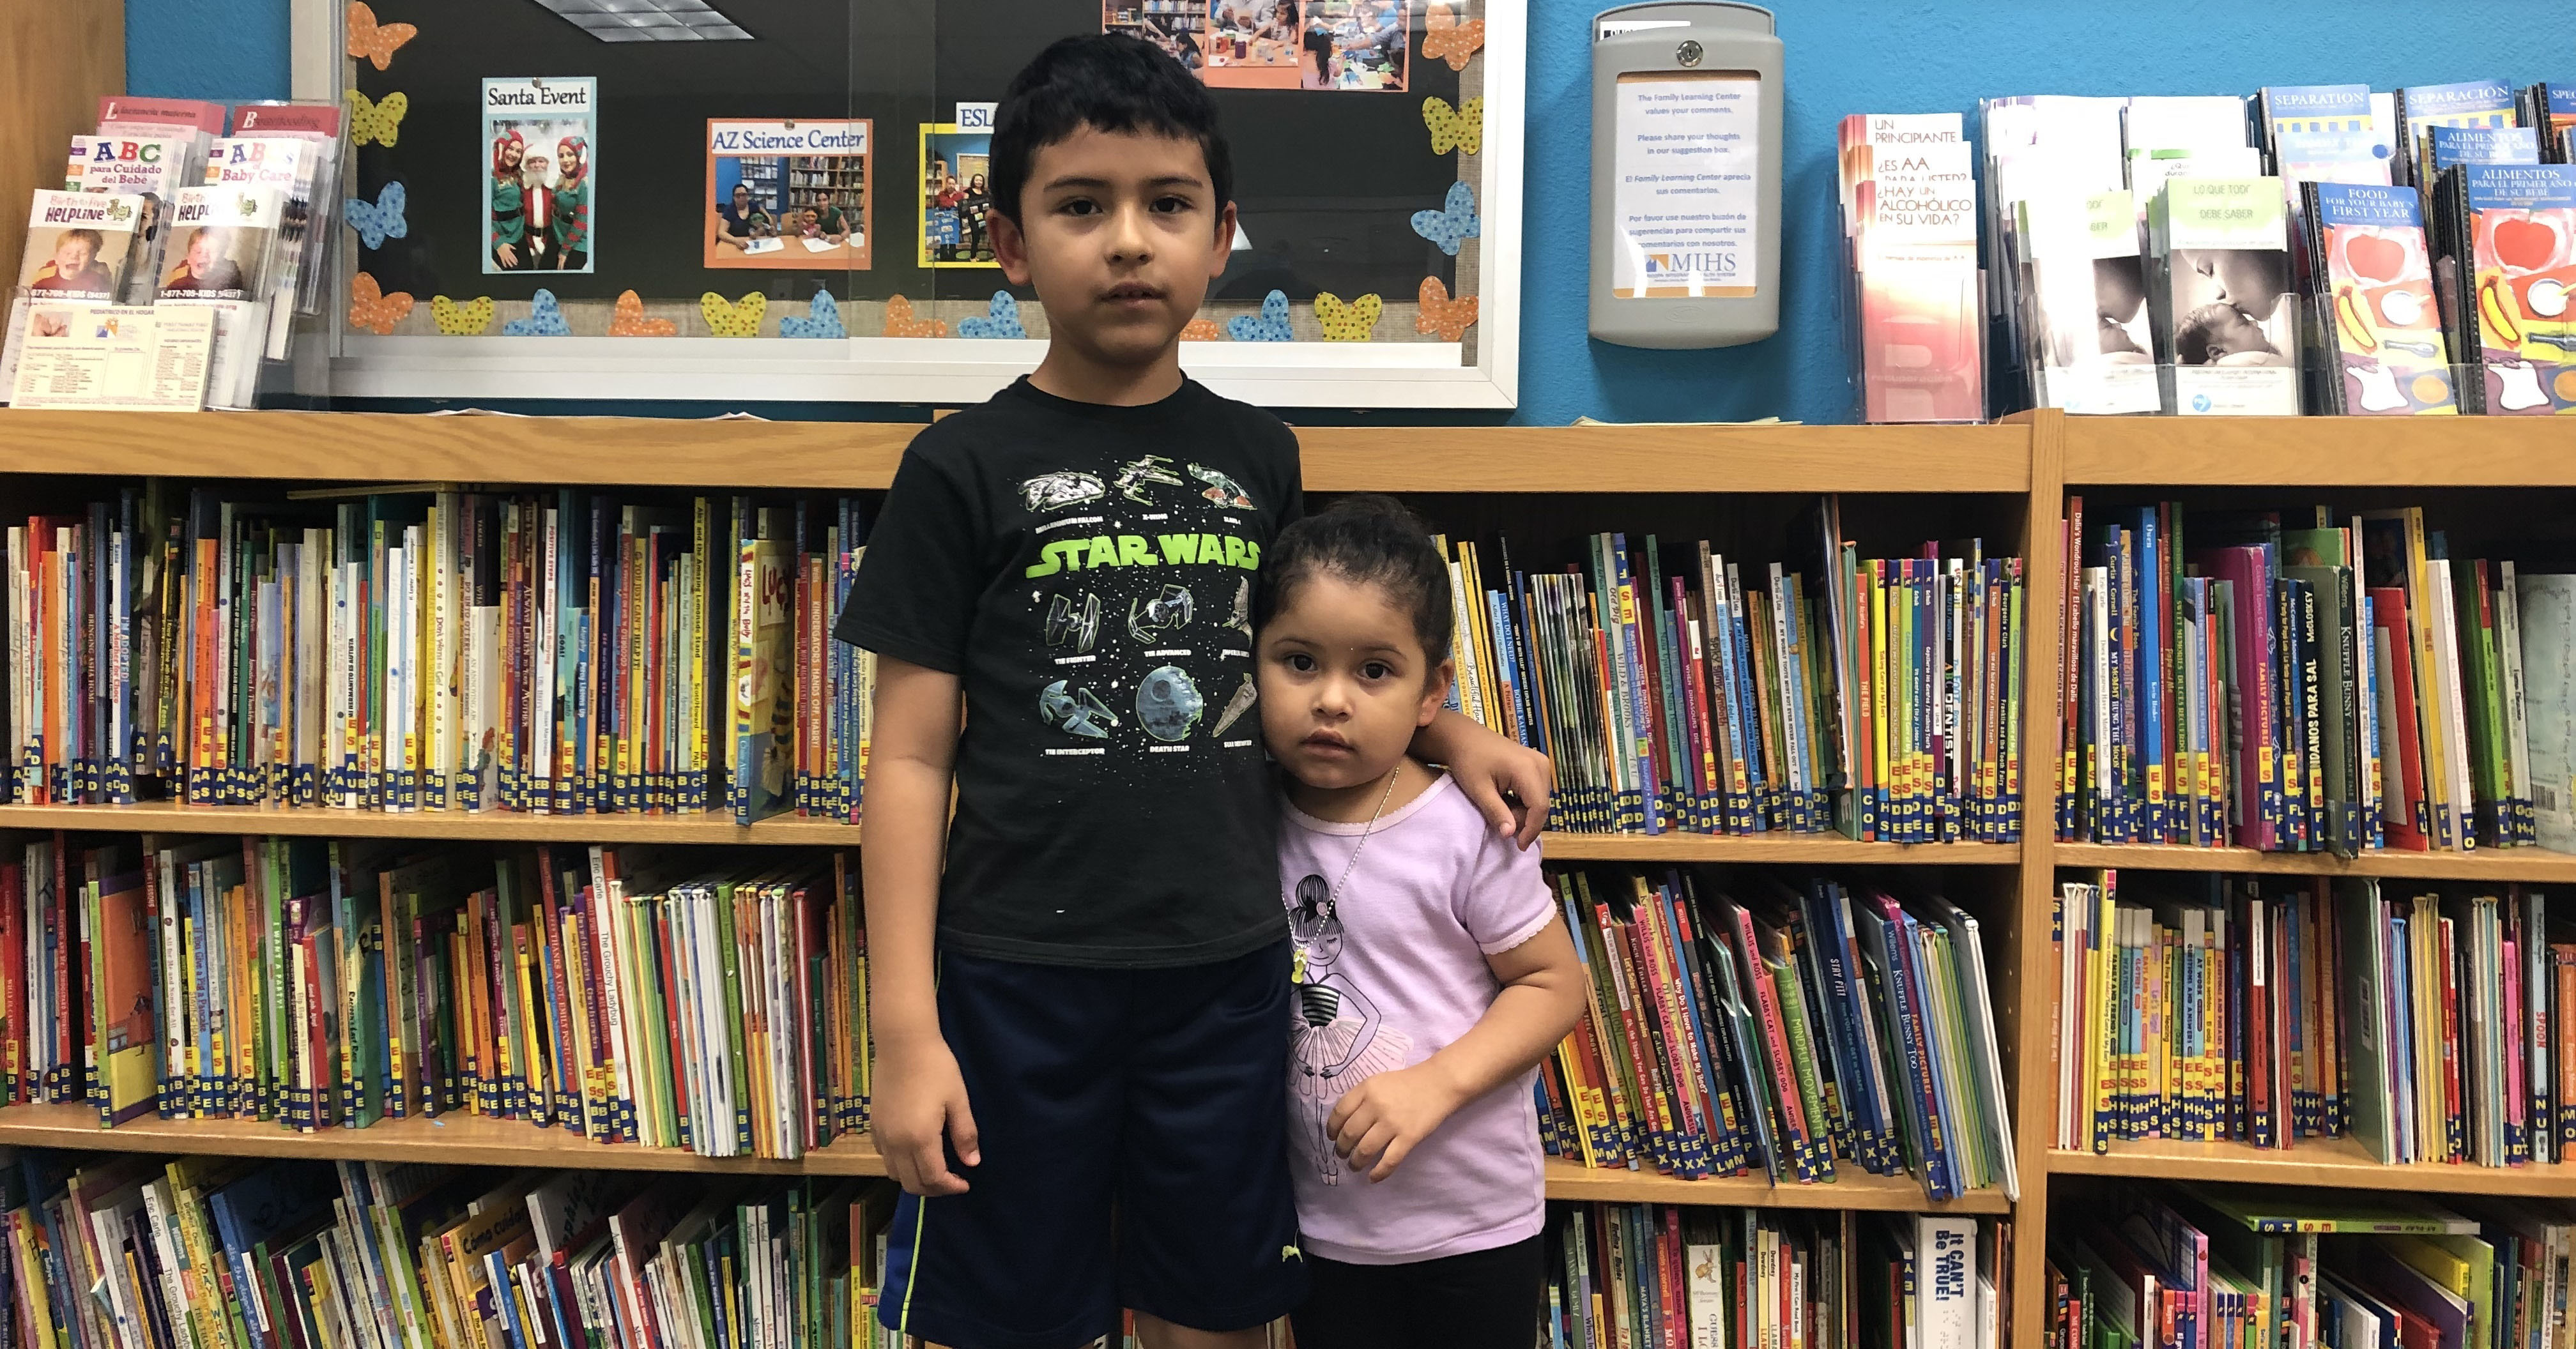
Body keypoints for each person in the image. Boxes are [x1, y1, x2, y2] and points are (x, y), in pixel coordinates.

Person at [837, 33, 1548, 1349]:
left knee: (1214, 1315)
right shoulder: (959, 469)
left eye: (1166, 206)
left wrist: (1451, 731)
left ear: (1223, 238)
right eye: (1079, 205)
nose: (1126, 241)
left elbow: (1312, 664)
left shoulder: (1257, 457)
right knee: (999, 1317)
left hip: (1226, 974)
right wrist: (905, 1034)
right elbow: (911, 760)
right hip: (1014, 981)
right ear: (1007, 244)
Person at [1257, 494, 1584, 1349]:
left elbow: (1555, 984)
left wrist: (1434, 1085)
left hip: (1471, 1229)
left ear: (1432, 689)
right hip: (1322, 1227)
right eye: (1298, 662)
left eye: (1374, 671)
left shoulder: (1467, 827)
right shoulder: (1243, 811)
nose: (1332, 700)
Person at [160, 227, 244, 295]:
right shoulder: (178, 279)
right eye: (198, 251)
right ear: (188, 257)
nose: (204, 256)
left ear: (222, 259)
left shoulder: (230, 276)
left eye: (213, 251)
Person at [26, 228, 113, 294]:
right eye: (68, 253)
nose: (74, 257)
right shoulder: (43, 280)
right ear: (56, 258)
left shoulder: (98, 280)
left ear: (91, 259)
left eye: (83, 253)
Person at [553, 135, 591, 271]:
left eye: (570, 155)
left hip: (577, 243)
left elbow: (581, 223)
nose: (565, 160)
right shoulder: (563, 178)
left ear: (579, 155)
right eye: (561, 156)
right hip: (560, 236)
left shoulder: (585, 185)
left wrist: (564, 251)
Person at [491, 129, 526, 269]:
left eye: (518, 151)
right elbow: (481, 217)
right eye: (510, 149)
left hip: (520, 237)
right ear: (502, 148)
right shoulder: (492, 178)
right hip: (502, 241)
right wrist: (498, 244)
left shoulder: (518, 175)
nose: (514, 154)